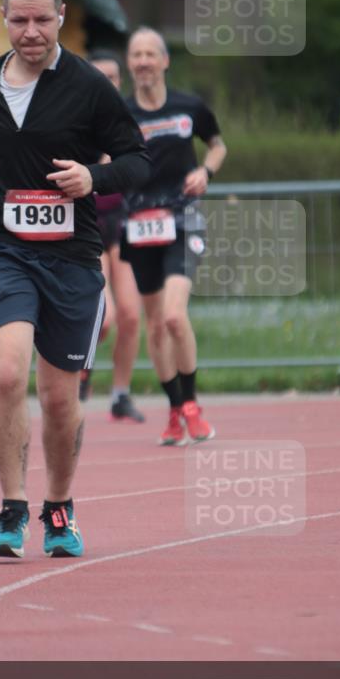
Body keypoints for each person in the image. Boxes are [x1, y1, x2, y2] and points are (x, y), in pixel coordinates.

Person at [0, 0, 152, 559]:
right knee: (8, 372)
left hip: (71, 258)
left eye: (42, 19)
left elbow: (137, 158)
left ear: (60, 17)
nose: (30, 31)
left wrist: (95, 177)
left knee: (60, 398)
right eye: (19, 20)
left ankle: (58, 507)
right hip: (2, 249)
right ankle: (11, 508)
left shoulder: (88, 85)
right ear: (4, 19)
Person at [122, 27, 227, 445]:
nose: (144, 61)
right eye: (137, 55)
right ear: (130, 65)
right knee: (155, 325)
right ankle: (172, 409)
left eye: (151, 53)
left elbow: (217, 145)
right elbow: (103, 157)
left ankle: (192, 405)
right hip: (139, 223)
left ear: (165, 61)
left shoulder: (189, 107)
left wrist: (206, 171)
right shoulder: (120, 114)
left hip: (183, 219)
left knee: (173, 316)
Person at [79, 49, 145, 424]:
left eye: (113, 77)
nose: (107, 83)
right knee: (105, 316)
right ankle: (82, 366)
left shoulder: (129, 122)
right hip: (88, 226)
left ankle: (121, 394)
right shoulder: (76, 121)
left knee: (132, 317)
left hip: (124, 225)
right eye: (99, 76)